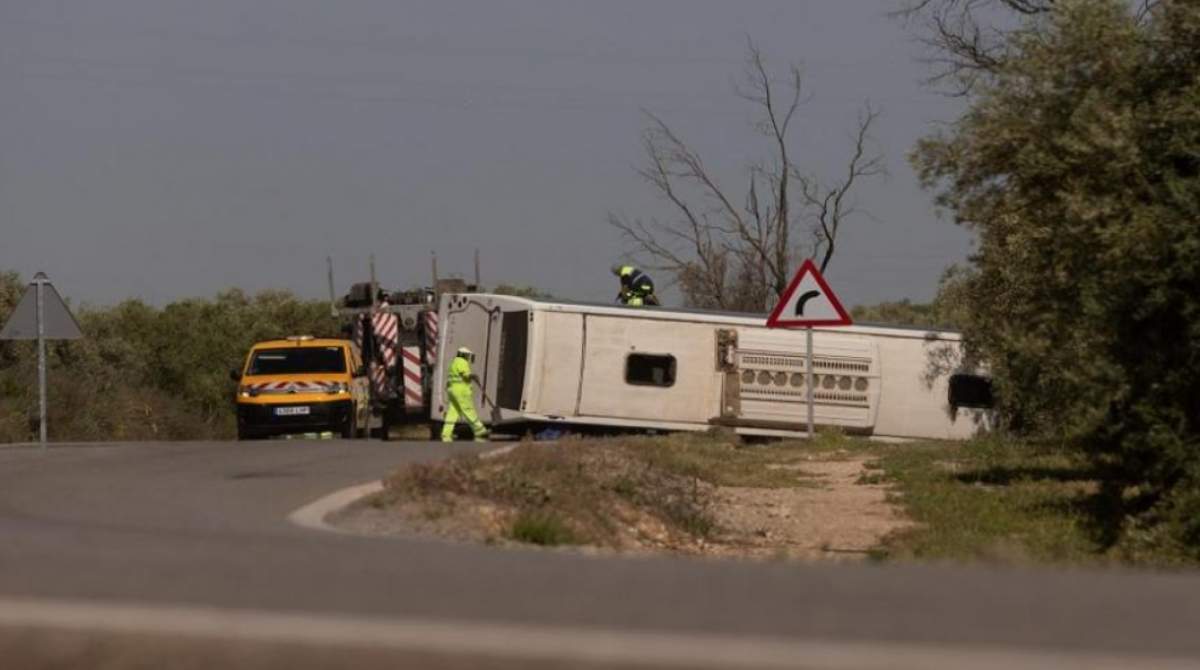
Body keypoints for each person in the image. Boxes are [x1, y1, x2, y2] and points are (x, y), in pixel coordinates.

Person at [441, 347, 489, 443]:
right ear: (464, 355)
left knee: (452, 413)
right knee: (468, 410)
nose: (468, 357)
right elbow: (465, 375)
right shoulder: (462, 362)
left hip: (452, 390)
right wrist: (473, 376)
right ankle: (480, 430)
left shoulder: (454, 362)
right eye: (467, 355)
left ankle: (446, 433)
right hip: (461, 390)